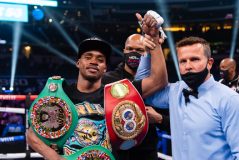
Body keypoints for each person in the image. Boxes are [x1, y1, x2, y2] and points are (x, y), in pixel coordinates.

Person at [26, 12, 168, 160]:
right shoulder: (62, 94)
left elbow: (158, 81)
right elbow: (32, 135)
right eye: (88, 57)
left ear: (105, 67)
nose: (94, 61)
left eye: (100, 59)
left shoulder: (117, 92)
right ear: (78, 62)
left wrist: (153, 39)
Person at [142, 36, 239, 159]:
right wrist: (148, 52)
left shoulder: (231, 101)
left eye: (194, 59)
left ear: (209, 63)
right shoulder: (174, 92)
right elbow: (144, 90)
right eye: (183, 61)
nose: (188, 66)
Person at [102, 33, 170, 160]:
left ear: (147, 52)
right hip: (115, 152)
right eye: (130, 49)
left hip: (146, 153)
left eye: (139, 50)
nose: (133, 53)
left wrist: (159, 119)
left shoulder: (157, 84)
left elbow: (173, 122)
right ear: (124, 50)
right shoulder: (108, 80)